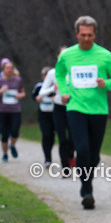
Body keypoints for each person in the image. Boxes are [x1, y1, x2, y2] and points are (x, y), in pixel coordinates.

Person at [54, 16, 111, 209]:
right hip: (75, 108)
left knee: (93, 155)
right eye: (83, 35)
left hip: (99, 109)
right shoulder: (67, 55)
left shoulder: (105, 55)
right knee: (82, 149)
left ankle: (87, 180)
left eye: (90, 35)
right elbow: (59, 73)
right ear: (77, 34)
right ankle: (87, 190)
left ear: (95, 34)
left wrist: (106, 83)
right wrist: (64, 92)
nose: (86, 38)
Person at [44, 47, 76, 177]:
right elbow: (42, 92)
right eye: (61, 54)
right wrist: (53, 88)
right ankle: (65, 168)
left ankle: (71, 155)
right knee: (62, 139)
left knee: (73, 139)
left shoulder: (75, 70)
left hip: (73, 107)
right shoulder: (52, 73)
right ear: (57, 56)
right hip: (58, 108)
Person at [0, 58, 25, 162]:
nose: (9, 70)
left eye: (10, 68)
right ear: (3, 69)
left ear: (13, 69)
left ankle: (13, 145)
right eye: (7, 68)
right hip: (3, 111)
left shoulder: (18, 80)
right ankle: (5, 154)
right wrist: (1, 91)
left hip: (15, 110)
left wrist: (20, 96)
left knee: (15, 131)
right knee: (4, 134)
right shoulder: (0, 80)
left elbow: (23, 93)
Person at [33, 66, 56, 166]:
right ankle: (47, 158)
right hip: (43, 114)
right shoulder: (39, 86)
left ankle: (68, 157)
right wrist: (37, 98)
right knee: (46, 135)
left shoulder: (57, 86)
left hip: (55, 114)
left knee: (53, 135)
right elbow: (33, 96)